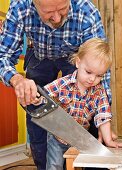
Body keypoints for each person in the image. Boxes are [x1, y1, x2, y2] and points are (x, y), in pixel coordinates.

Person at [0, 0, 111, 169]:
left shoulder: (86, 11)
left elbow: (98, 64)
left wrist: (102, 118)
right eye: (49, 12)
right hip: (39, 55)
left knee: (86, 103)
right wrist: (17, 80)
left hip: (74, 57)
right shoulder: (19, 7)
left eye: (62, 9)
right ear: (33, 4)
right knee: (37, 113)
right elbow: (3, 56)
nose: (57, 18)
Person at [42, 38, 122, 170]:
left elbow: (103, 116)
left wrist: (108, 140)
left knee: (87, 163)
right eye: (88, 72)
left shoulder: (99, 92)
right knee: (54, 165)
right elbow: (44, 95)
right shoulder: (63, 84)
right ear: (78, 62)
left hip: (81, 138)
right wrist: (37, 99)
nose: (92, 79)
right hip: (58, 137)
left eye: (99, 76)